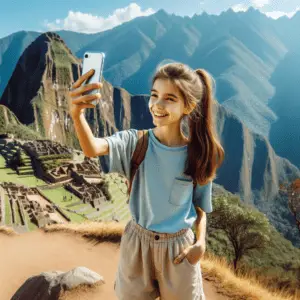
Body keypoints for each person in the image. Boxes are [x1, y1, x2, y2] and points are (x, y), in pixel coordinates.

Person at [69, 62, 225, 300]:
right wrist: (77, 115)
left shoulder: (198, 155)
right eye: (154, 95)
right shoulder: (135, 142)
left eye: (170, 98)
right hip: (137, 245)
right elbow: (92, 148)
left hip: (179, 249)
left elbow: (200, 207)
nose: (157, 105)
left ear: (188, 106)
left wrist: (201, 243)